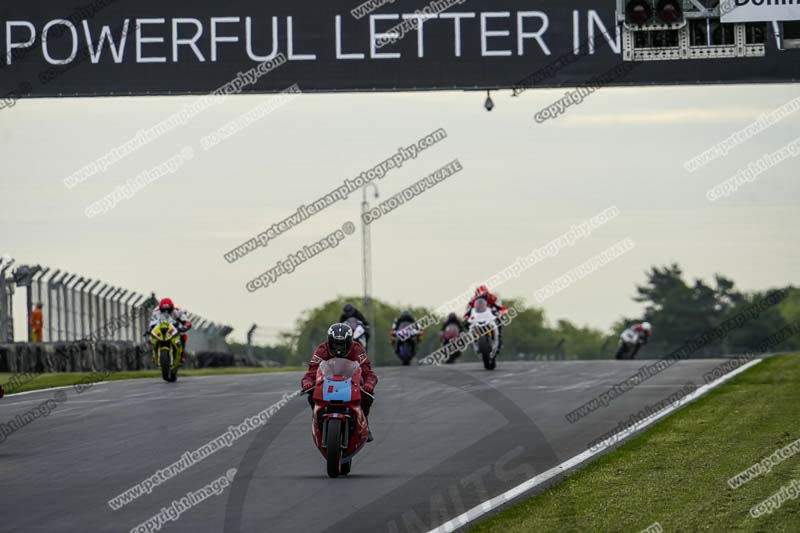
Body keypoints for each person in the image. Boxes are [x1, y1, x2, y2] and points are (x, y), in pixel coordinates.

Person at [301, 323, 378, 442]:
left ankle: (365, 422)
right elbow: (310, 373)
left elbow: (369, 373)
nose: (338, 349)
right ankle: (317, 420)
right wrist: (307, 383)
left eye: (342, 345)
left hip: (351, 382)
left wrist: (369, 384)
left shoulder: (357, 349)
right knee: (311, 395)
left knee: (368, 396)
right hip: (328, 382)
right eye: (335, 344)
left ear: (349, 342)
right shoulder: (322, 349)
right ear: (329, 342)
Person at [463, 285, 507, 350]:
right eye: (479, 296)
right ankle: (473, 340)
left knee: (499, 321)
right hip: (478, 317)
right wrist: (466, 317)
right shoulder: (472, 300)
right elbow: (468, 310)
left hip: (490, 315)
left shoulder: (492, 297)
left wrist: (502, 312)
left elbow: (501, 307)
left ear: (487, 293)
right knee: (467, 324)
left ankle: (499, 337)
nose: (481, 297)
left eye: (484, 295)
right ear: (476, 295)